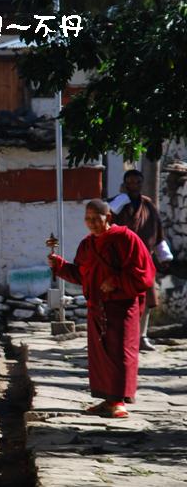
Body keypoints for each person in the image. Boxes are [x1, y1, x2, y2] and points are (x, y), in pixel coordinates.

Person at [47, 199, 156, 419]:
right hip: (97, 306)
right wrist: (59, 265)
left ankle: (119, 401)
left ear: (109, 218)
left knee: (120, 352)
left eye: (97, 219)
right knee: (101, 354)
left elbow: (144, 273)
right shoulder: (87, 244)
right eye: (88, 219)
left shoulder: (126, 239)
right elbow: (81, 274)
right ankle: (108, 399)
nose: (92, 223)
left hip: (121, 306)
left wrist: (116, 281)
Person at [109, 169, 173, 351]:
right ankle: (121, 337)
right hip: (122, 260)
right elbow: (108, 222)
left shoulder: (148, 205)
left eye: (137, 182)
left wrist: (163, 254)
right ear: (125, 184)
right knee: (122, 299)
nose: (134, 186)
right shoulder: (118, 204)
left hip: (145, 259)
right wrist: (120, 201)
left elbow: (157, 230)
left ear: (141, 184)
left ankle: (142, 336)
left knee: (147, 298)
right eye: (130, 182)